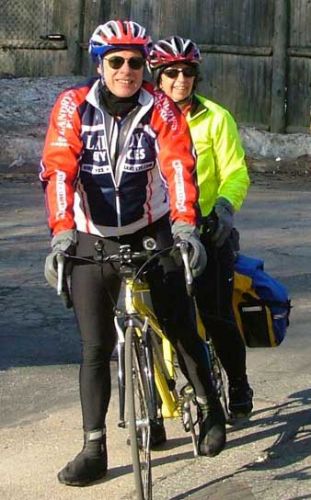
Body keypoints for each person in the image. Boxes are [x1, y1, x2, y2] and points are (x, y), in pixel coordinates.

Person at [40, 20, 226, 487]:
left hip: (151, 229)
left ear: (146, 66)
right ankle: (94, 446)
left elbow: (179, 166)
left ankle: (209, 409)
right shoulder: (72, 107)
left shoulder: (161, 106)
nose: (127, 70)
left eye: (136, 63)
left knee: (179, 323)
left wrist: (186, 227)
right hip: (91, 235)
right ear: (99, 64)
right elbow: (59, 169)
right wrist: (62, 234)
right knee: (96, 346)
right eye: (116, 61)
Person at [148, 35, 253, 422]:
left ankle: (238, 382)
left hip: (209, 229)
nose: (180, 79)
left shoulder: (215, 117)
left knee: (214, 313)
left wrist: (223, 210)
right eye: (171, 72)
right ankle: (154, 396)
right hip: (159, 231)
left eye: (188, 72)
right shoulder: (144, 118)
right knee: (155, 316)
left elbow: (235, 172)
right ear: (156, 77)